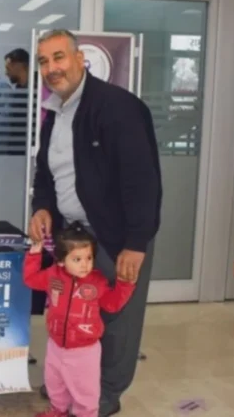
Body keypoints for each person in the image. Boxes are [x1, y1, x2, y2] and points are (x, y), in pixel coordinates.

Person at [28, 29, 162, 417]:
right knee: (73, 309)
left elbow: (142, 180)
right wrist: (42, 207)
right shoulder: (55, 110)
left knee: (116, 319)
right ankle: (71, 383)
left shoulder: (116, 107)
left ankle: (106, 393)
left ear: (80, 59)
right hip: (76, 236)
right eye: (43, 61)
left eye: (58, 57)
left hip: (118, 236)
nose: (51, 68)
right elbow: (45, 171)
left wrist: (136, 243)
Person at [24, 222, 136, 417]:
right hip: (56, 345)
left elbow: (112, 304)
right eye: (77, 259)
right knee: (55, 383)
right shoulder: (53, 276)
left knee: (86, 391)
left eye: (89, 258)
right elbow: (30, 279)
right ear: (60, 260)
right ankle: (58, 410)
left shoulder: (97, 282)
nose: (85, 264)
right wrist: (34, 253)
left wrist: (125, 285)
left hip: (85, 351)